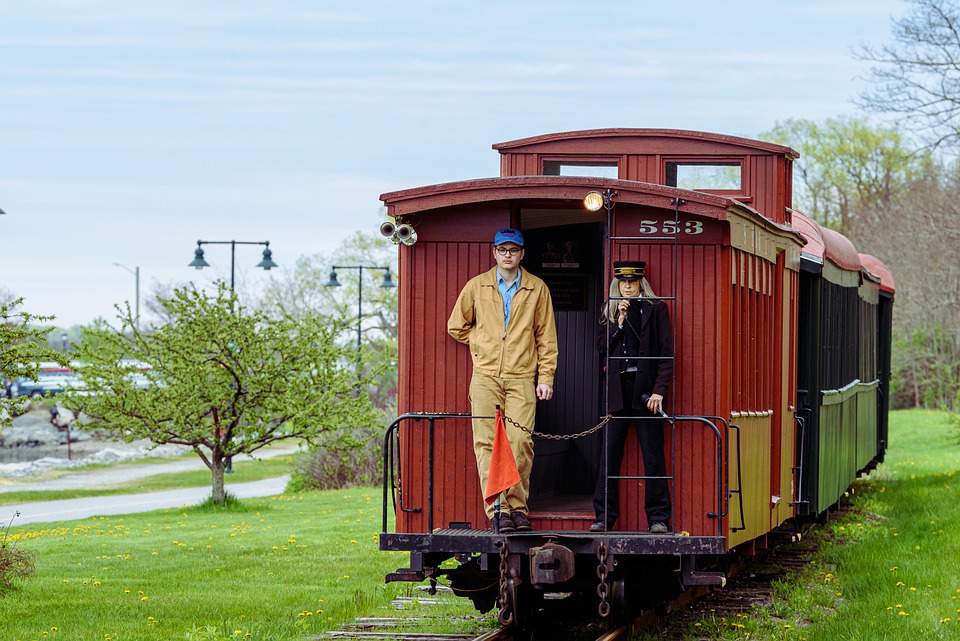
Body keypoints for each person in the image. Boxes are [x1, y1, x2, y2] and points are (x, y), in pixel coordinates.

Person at [448, 227, 559, 533]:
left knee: (519, 441)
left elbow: (546, 337)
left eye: (513, 250)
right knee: (486, 444)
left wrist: (545, 376)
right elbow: (456, 326)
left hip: (522, 377)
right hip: (485, 377)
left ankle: (518, 508)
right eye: (502, 250)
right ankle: (498, 511)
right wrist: (481, 341)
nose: (508, 255)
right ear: (494, 252)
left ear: (522, 253)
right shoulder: (477, 286)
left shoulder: (537, 289)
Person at [591, 260, 673, 534]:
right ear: (617, 283)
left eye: (632, 281)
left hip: (645, 392)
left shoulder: (656, 309)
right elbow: (602, 348)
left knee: (653, 455)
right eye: (623, 282)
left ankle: (658, 517)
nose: (627, 286)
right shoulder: (610, 311)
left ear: (640, 283)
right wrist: (619, 323)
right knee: (608, 456)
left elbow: (665, 355)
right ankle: (604, 516)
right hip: (616, 392)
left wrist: (659, 391)